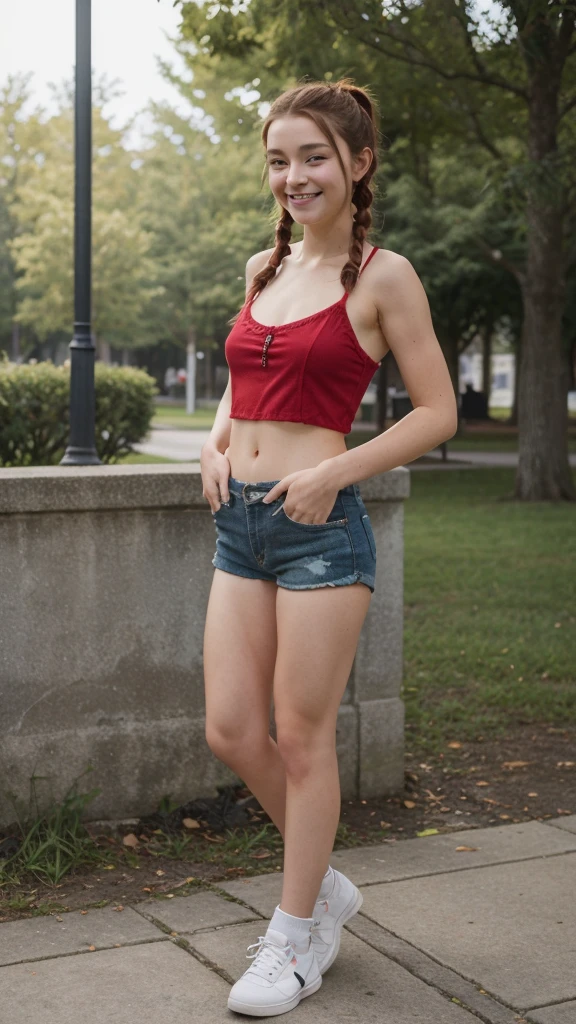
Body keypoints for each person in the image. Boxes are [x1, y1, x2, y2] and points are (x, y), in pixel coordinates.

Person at [200, 77, 457, 1017]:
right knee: (231, 728)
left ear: (358, 162)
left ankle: (295, 935)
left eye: (313, 157)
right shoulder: (261, 271)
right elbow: (243, 376)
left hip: (319, 530)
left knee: (303, 738)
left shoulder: (382, 275)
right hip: (244, 525)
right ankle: (327, 888)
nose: (294, 176)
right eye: (279, 159)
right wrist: (216, 437)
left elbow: (438, 412)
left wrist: (334, 474)